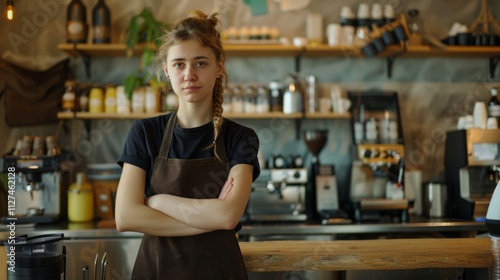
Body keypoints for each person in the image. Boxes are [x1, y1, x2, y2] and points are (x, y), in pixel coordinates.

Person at [115, 10, 260, 279]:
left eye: (201, 63)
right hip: (158, 272)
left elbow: (228, 216)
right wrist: (209, 219)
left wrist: (156, 201)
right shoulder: (145, 133)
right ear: (166, 71)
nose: (189, 74)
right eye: (179, 64)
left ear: (219, 67)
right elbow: (126, 217)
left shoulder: (241, 138)